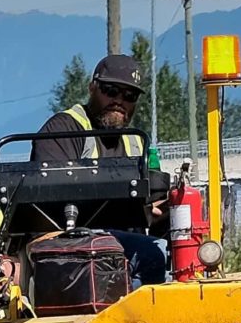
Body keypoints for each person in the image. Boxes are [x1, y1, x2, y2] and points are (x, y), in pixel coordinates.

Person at [30, 52, 167, 283]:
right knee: (154, 253)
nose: (119, 101)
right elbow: (51, 201)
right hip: (70, 241)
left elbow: (151, 204)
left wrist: (166, 207)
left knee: (180, 250)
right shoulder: (64, 129)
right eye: (111, 91)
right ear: (92, 87)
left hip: (120, 241)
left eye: (130, 95)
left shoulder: (135, 141)